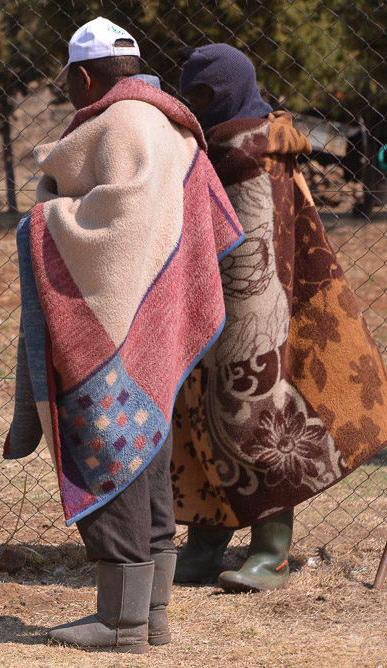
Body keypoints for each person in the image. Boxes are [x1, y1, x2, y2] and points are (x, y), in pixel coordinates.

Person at [4, 17, 243, 653]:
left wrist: (43, 217)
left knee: (112, 453)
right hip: (156, 324)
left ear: (84, 76)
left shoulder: (118, 125)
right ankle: (152, 614)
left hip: (111, 326)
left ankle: (120, 623)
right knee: (150, 454)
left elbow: (110, 230)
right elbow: (187, 222)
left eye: (68, 84)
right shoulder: (172, 127)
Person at [169, 44, 387, 592]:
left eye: (204, 94)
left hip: (256, 307)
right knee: (199, 418)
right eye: (188, 94)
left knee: (254, 416)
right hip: (205, 298)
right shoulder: (211, 147)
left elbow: (266, 241)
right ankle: (205, 544)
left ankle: (272, 550)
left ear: (230, 90)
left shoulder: (252, 150)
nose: (195, 105)